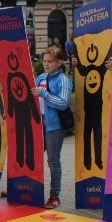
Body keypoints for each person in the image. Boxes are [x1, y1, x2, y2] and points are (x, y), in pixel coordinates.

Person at [32, 46, 73, 209]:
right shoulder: (41, 77)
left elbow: (63, 103)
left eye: (50, 61)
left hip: (54, 127)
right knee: (32, 158)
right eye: (44, 61)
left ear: (59, 62)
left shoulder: (63, 80)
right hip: (37, 124)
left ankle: (54, 196)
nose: (46, 64)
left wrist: (44, 94)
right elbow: (30, 94)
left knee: (53, 161)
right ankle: (26, 187)